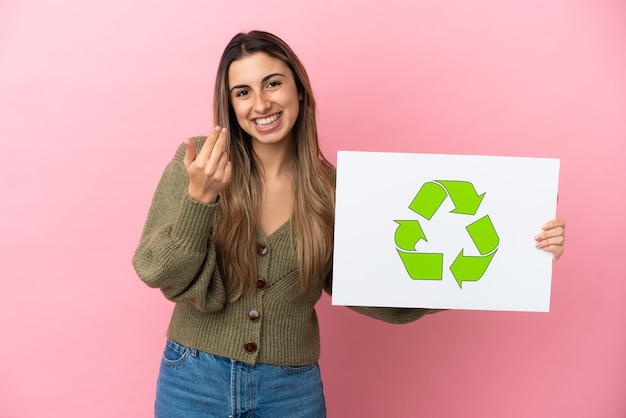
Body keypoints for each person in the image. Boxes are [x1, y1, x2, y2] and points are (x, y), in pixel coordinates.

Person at [132, 30, 566, 418]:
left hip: (291, 389)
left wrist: (514, 252)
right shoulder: (197, 161)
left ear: (299, 90)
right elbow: (161, 272)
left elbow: (380, 291)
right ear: (229, 104)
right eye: (242, 92)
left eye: (273, 83)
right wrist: (200, 198)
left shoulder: (335, 191)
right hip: (193, 378)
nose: (261, 104)